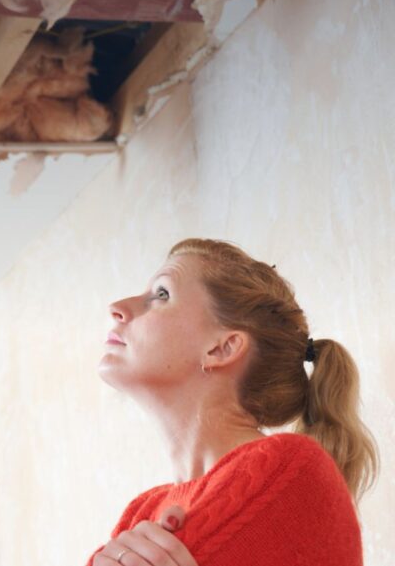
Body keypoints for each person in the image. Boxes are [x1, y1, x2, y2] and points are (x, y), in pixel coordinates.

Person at [88, 238, 379, 566]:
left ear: (222, 348)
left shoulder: (286, 469)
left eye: (162, 294)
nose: (118, 307)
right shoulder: (140, 513)